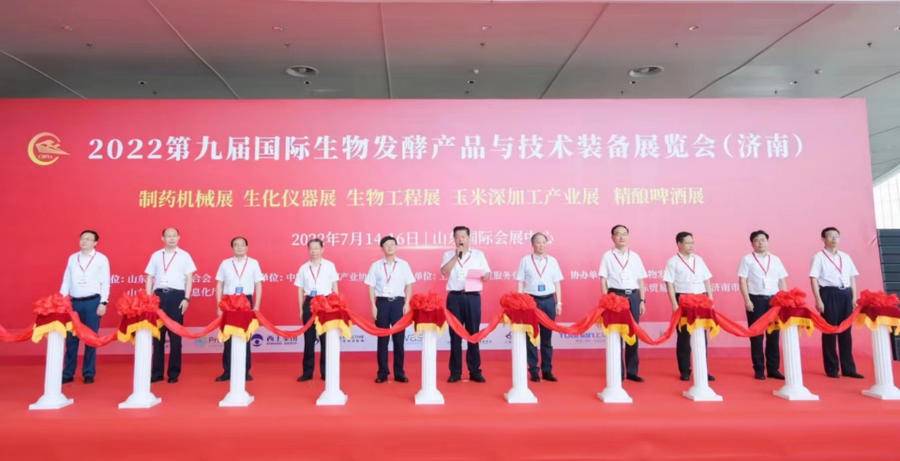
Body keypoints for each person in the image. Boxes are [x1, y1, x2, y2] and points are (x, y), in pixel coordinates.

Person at [810, 227, 863, 379]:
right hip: (828, 294)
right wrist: (818, 299)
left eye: (836, 236)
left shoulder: (845, 257)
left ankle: (849, 368)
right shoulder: (818, 257)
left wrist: (853, 297)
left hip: (846, 294)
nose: (834, 239)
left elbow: (852, 277)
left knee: (846, 331)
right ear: (823, 239)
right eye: (830, 236)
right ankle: (832, 368)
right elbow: (813, 278)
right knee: (830, 331)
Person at [145, 227, 196, 384]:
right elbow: (149, 277)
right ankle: (157, 373)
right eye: (168, 236)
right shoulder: (156, 255)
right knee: (157, 337)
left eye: (174, 235)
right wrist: (148, 298)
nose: (171, 238)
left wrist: (186, 298)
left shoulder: (185, 255)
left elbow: (189, 278)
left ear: (179, 237)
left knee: (175, 338)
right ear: (163, 238)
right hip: (158, 297)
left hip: (176, 297)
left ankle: (173, 373)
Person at [440, 225, 491, 383]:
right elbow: (444, 272)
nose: (460, 239)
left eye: (463, 236)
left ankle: (475, 371)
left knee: (473, 334)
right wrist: (456, 256)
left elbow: (487, 273)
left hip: (472, 297)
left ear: (469, 238)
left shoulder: (478, 255)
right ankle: (455, 372)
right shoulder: (448, 254)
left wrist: (485, 276)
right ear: (454, 239)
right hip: (454, 298)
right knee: (455, 335)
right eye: (457, 237)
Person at [663, 231, 715, 381]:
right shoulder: (672, 261)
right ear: (679, 244)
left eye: (692, 242)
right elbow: (669, 284)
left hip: (701, 299)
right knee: (684, 336)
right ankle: (685, 370)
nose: (691, 245)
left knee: (701, 336)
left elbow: (706, 280)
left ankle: (702, 370)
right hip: (683, 299)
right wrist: (674, 304)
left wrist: (710, 297)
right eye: (687, 243)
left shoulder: (699, 259)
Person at [60, 229, 110, 384]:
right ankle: (68, 373)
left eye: (88, 239)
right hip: (74, 303)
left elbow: (105, 282)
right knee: (71, 339)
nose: (84, 241)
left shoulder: (101, 259)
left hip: (92, 303)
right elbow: (66, 280)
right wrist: (62, 300)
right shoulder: (72, 258)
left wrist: (103, 302)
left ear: (95, 243)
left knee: (91, 339)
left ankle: (88, 373)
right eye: (82, 238)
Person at [599, 224, 647, 382]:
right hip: (615, 297)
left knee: (633, 332)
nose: (621, 237)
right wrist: (606, 300)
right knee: (616, 333)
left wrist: (642, 300)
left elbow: (640, 280)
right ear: (612, 237)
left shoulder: (635, 256)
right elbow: (603, 279)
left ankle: (632, 371)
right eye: (618, 234)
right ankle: (617, 372)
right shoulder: (607, 256)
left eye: (624, 234)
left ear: (628, 236)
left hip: (633, 296)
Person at [364, 236, 416, 383]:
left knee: (399, 340)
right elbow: (371, 286)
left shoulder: (404, 265)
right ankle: (382, 373)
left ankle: (399, 373)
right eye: (387, 245)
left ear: (396, 246)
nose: (390, 247)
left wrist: (407, 303)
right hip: (382, 303)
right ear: (382, 248)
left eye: (393, 244)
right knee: (382, 339)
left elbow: (409, 285)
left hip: (398, 303)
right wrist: (373, 305)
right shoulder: (376, 266)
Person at [738, 230, 787, 380]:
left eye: (763, 240)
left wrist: (785, 300)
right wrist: (747, 300)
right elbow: (742, 280)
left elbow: (782, 280)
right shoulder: (747, 259)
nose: (760, 243)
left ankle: (773, 369)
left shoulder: (776, 259)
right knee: (756, 335)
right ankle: (759, 369)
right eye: (757, 240)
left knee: (774, 335)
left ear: (767, 241)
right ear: (752, 243)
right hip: (756, 300)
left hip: (774, 301)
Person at [214, 236, 264, 382]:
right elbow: (219, 284)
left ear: (247, 247)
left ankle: (245, 371)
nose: (239, 247)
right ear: (232, 248)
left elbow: (258, 285)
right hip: (229, 301)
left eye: (242, 245)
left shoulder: (254, 263)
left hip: (246, 300)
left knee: (245, 336)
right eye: (236, 245)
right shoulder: (225, 263)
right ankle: (227, 371)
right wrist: (219, 304)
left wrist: (257, 306)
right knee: (228, 336)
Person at [516, 232, 563, 382]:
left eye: (543, 242)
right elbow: (520, 282)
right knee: (531, 337)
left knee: (547, 338)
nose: (541, 245)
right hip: (531, 301)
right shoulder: (525, 260)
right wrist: (520, 302)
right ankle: (534, 371)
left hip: (549, 300)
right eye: (538, 242)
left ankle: (547, 370)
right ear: (532, 244)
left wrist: (559, 303)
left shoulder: (553, 261)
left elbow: (557, 283)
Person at [295, 238, 340, 382]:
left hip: (326, 302)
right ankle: (307, 372)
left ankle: (326, 372)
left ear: (322, 249)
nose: (314, 251)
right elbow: (300, 289)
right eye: (311, 248)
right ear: (308, 250)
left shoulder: (329, 266)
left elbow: (335, 287)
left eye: (316, 248)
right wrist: (301, 309)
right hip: (309, 302)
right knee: (308, 339)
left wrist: (336, 305)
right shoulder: (303, 268)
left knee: (326, 339)